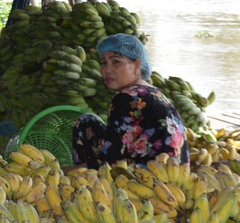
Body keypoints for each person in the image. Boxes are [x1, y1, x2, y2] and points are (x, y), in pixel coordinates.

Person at [72, 33, 189, 168]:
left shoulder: (128, 98)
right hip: (174, 176)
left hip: (147, 180)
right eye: (103, 63)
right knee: (88, 121)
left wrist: (65, 172)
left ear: (137, 66)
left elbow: (109, 162)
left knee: (84, 122)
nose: (107, 69)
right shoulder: (155, 93)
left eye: (116, 61)